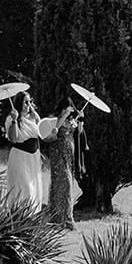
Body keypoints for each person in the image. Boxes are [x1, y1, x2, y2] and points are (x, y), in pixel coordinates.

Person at [4, 91, 58, 211]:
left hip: (33, 158)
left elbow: (43, 136)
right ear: (19, 103)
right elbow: (13, 138)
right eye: (25, 102)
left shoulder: (34, 117)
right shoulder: (11, 119)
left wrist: (52, 133)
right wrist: (14, 120)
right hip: (20, 156)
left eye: (30, 102)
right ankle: (19, 216)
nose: (28, 105)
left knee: (34, 190)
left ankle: (32, 218)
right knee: (24, 189)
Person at [47, 98, 87, 230]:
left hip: (69, 156)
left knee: (68, 185)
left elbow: (78, 134)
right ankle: (61, 218)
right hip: (57, 154)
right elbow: (53, 130)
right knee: (63, 183)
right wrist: (63, 116)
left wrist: (80, 122)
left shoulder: (72, 120)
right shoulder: (54, 118)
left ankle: (65, 217)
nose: (68, 110)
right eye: (65, 108)